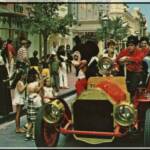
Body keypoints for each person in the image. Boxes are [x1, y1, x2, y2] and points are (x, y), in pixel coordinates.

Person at [115, 35, 145, 100]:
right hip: (124, 71)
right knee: (116, 81)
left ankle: (132, 98)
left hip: (135, 72)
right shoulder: (124, 51)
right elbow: (117, 60)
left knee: (132, 87)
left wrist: (128, 58)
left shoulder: (140, 51)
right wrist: (117, 65)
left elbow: (139, 59)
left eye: (132, 45)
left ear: (135, 46)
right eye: (128, 45)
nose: (129, 47)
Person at [26, 68, 43, 140]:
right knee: (35, 121)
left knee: (29, 121)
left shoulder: (28, 84)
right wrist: (41, 84)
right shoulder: (35, 84)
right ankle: (34, 135)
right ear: (35, 76)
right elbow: (38, 90)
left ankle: (27, 134)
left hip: (29, 102)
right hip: (35, 102)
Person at [0, 39, 13, 116]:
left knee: (4, 90)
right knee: (2, 90)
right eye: (4, 45)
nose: (5, 46)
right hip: (1, 72)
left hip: (3, 72)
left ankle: (5, 109)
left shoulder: (2, 53)